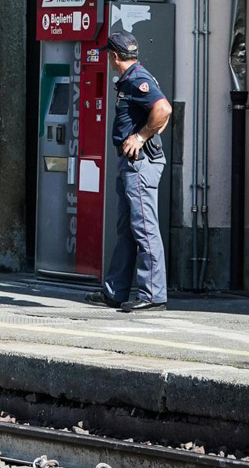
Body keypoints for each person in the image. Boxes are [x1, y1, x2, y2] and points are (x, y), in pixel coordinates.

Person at [86, 31, 173, 313]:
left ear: (113, 56)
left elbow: (163, 109)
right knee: (127, 230)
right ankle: (115, 291)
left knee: (144, 229)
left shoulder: (138, 79)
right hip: (131, 162)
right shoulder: (131, 78)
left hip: (140, 164)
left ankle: (153, 294)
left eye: (107, 55)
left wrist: (140, 137)